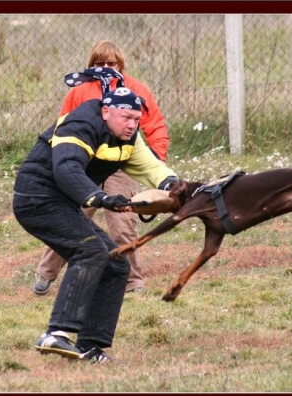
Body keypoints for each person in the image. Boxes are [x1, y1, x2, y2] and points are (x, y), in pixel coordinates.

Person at [13, 87, 178, 363]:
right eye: (126, 117)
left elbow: (151, 167)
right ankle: (57, 333)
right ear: (106, 111)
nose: (132, 124)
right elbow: (67, 168)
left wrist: (176, 188)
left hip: (61, 201)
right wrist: (100, 198)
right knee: (90, 252)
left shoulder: (128, 138)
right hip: (36, 198)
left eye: (136, 119)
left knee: (116, 263)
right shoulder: (80, 124)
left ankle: (90, 348)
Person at [33, 40, 170, 295]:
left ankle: (132, 281)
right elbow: (63, 128)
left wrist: (156, 159)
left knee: (123, 223)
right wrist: (64, 163)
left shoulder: (136, 89)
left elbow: (155, 125)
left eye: (111, 63)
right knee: (72, 221)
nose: (106, 67)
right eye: (100, 63)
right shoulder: (79, 92)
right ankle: (46, 273)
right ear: (91, 65)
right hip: (87, 166)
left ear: (121, 64)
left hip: (120, 164)